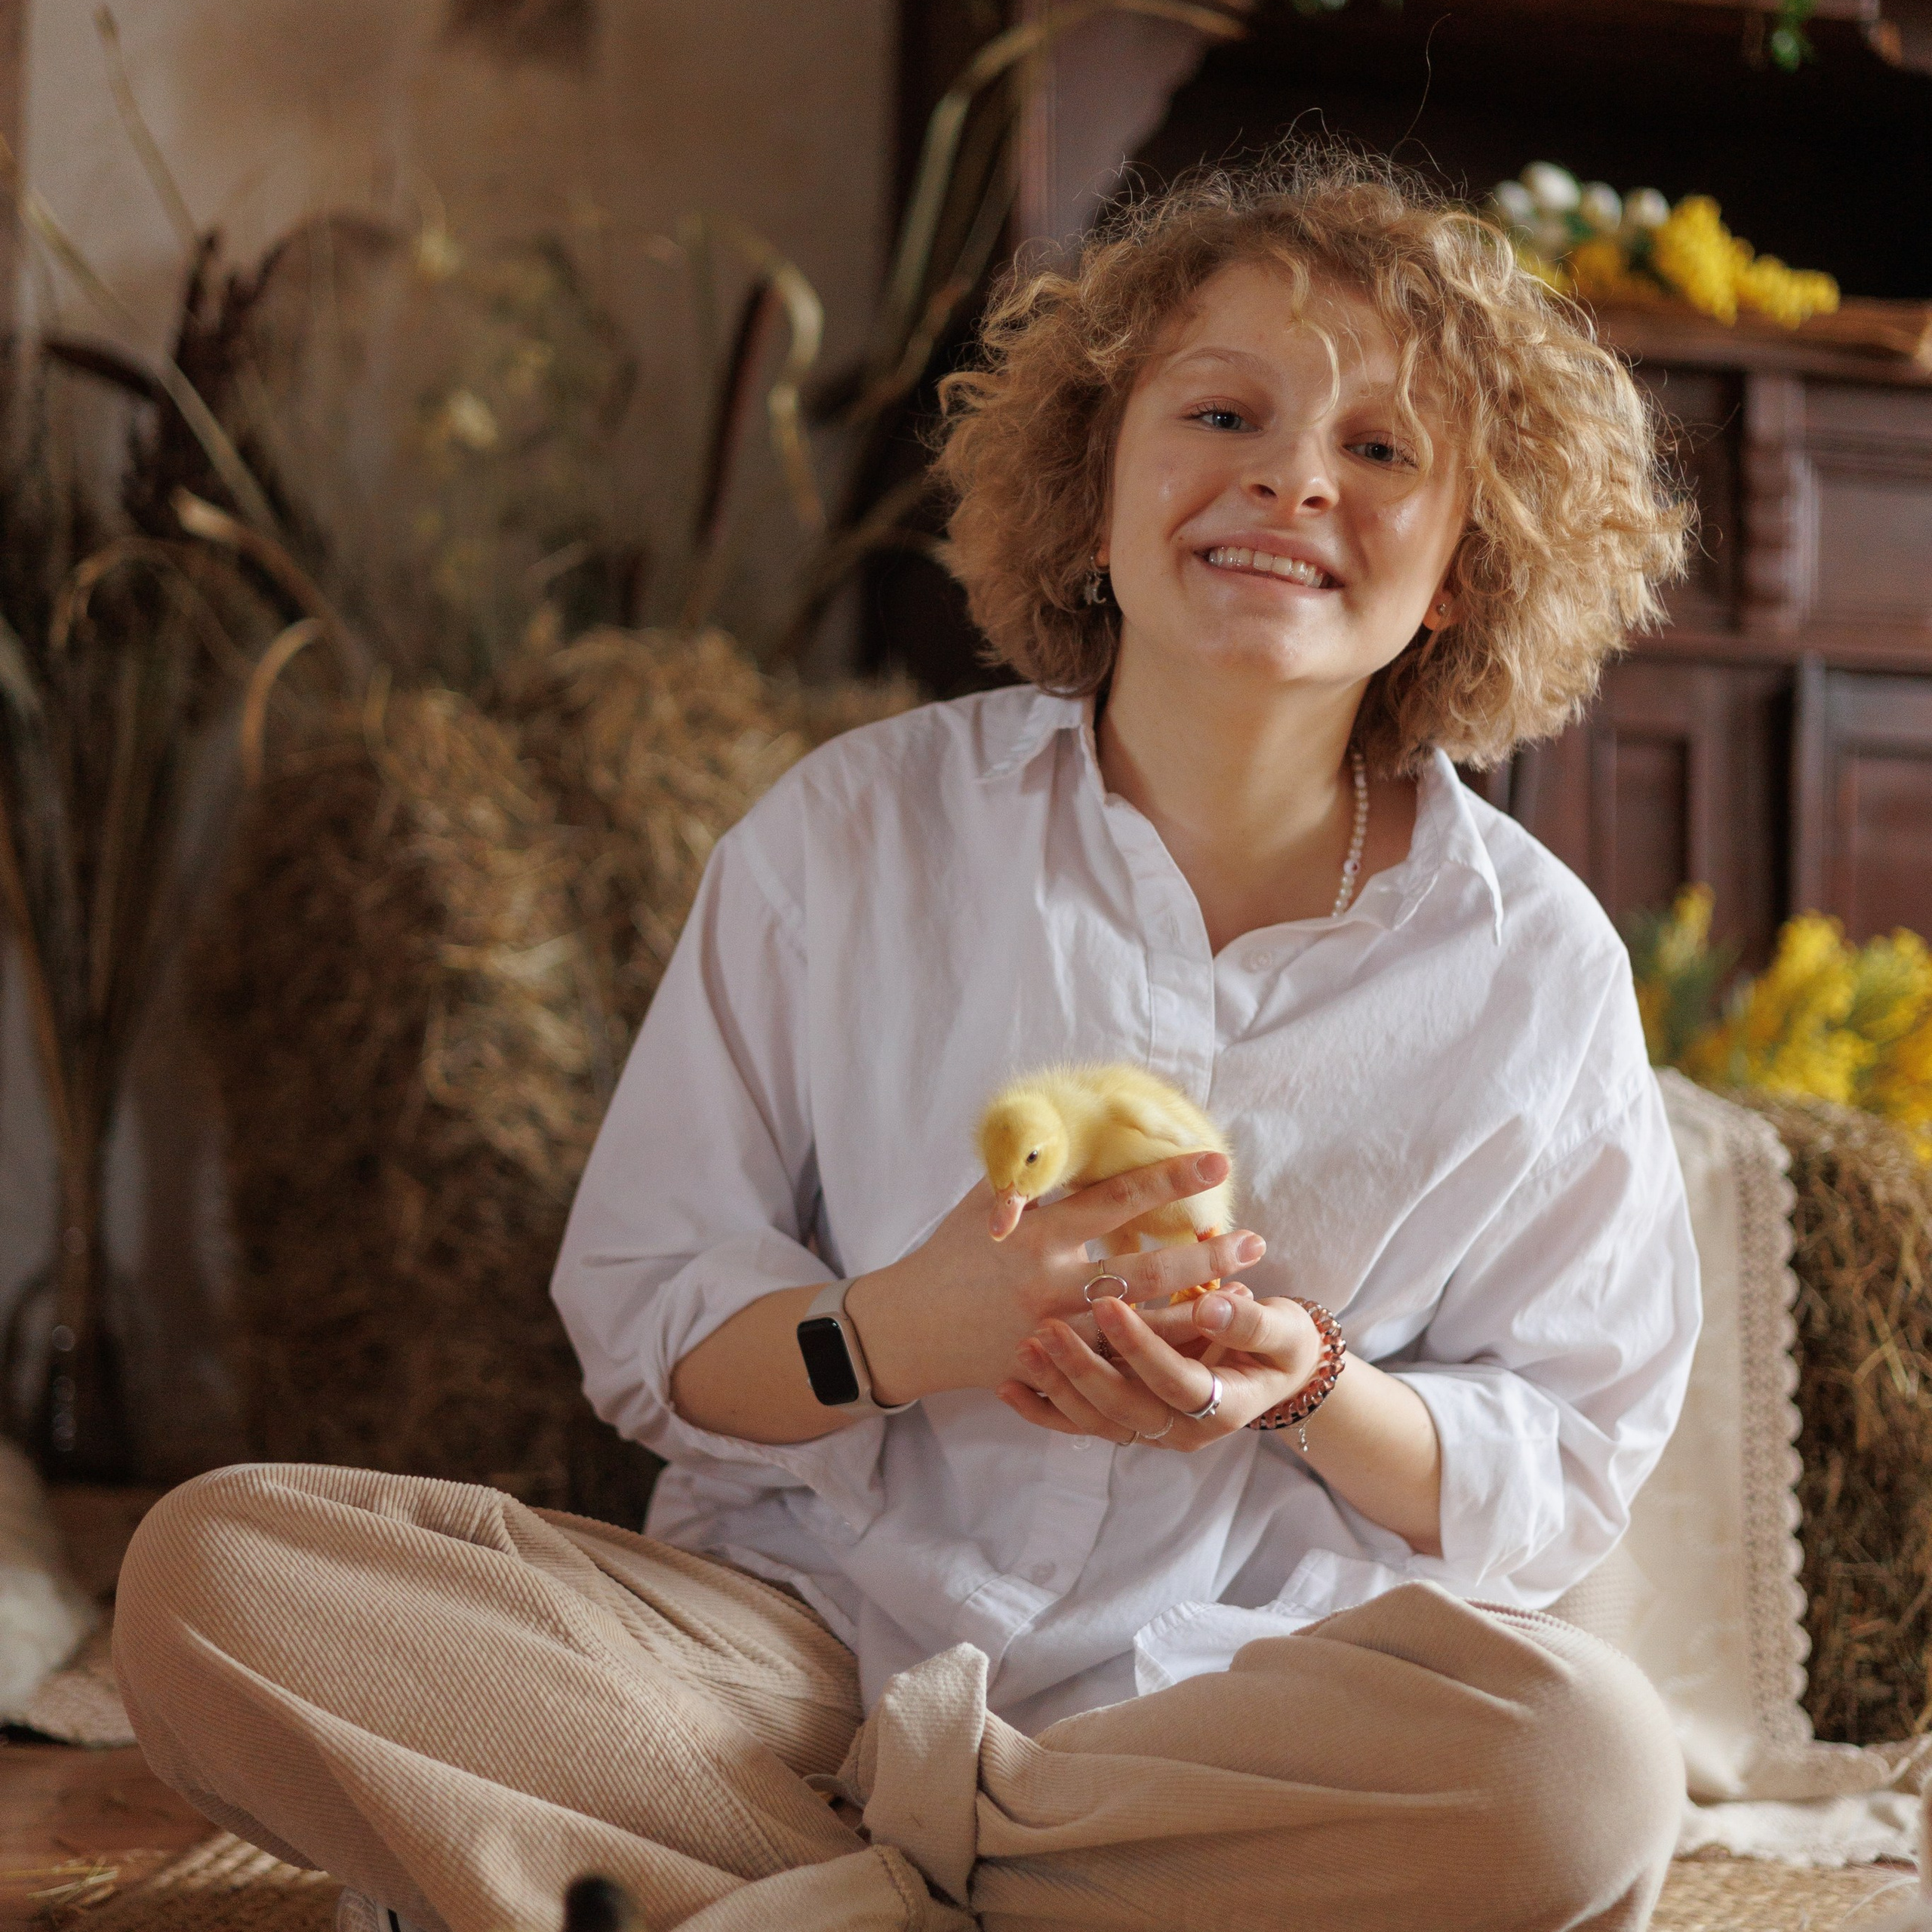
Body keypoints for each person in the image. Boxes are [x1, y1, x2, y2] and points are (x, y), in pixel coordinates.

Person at [115, 151, 1701, 1932]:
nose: (1288, 474)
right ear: (1088, 492)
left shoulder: (1530, 964)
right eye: (1222, 410)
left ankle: (795, 1895)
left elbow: (1559, 1458)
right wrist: (900, 1327)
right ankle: (998, 1893)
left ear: (1462, 574)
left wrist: (1310, 1384)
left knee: (1582, 1770)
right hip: (775, 1670)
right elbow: (645, 1323)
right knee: (209, 1576)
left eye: (1380, 449)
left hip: (1226, 1713)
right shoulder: (842, 837)